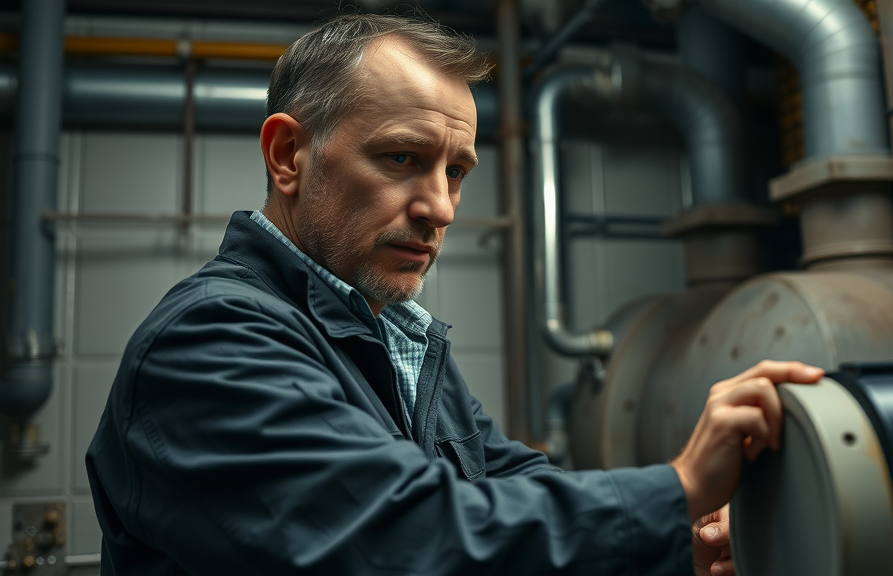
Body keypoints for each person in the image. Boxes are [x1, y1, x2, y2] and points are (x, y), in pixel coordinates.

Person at [86, 13, 823, 576]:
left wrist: (672, 542)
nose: (439, 207)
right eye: (402, 158)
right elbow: (409, 536)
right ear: (288, 155)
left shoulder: (389, 329)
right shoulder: (209, 344)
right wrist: (679, 488)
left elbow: (503, 478)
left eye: (456, 172)